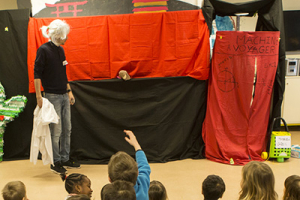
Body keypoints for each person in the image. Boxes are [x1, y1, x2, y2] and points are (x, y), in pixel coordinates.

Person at [34, 19, 79, 174]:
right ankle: (56, 161)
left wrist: (69, 91)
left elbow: (62, 73)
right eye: (64, 36)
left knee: (67, 128)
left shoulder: (61, 50)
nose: (66, 38)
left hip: (63, 94)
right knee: (56, 131)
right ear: (58, 35)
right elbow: (37, 74)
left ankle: (65, 158)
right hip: (52, 95)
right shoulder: (43, 50)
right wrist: (39, 96)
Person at [108, 130, 151, 200]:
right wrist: (136, 145)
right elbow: (144, 165)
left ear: (110, 179)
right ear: (137, 173)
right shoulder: (143, 183)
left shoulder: (108, 195)